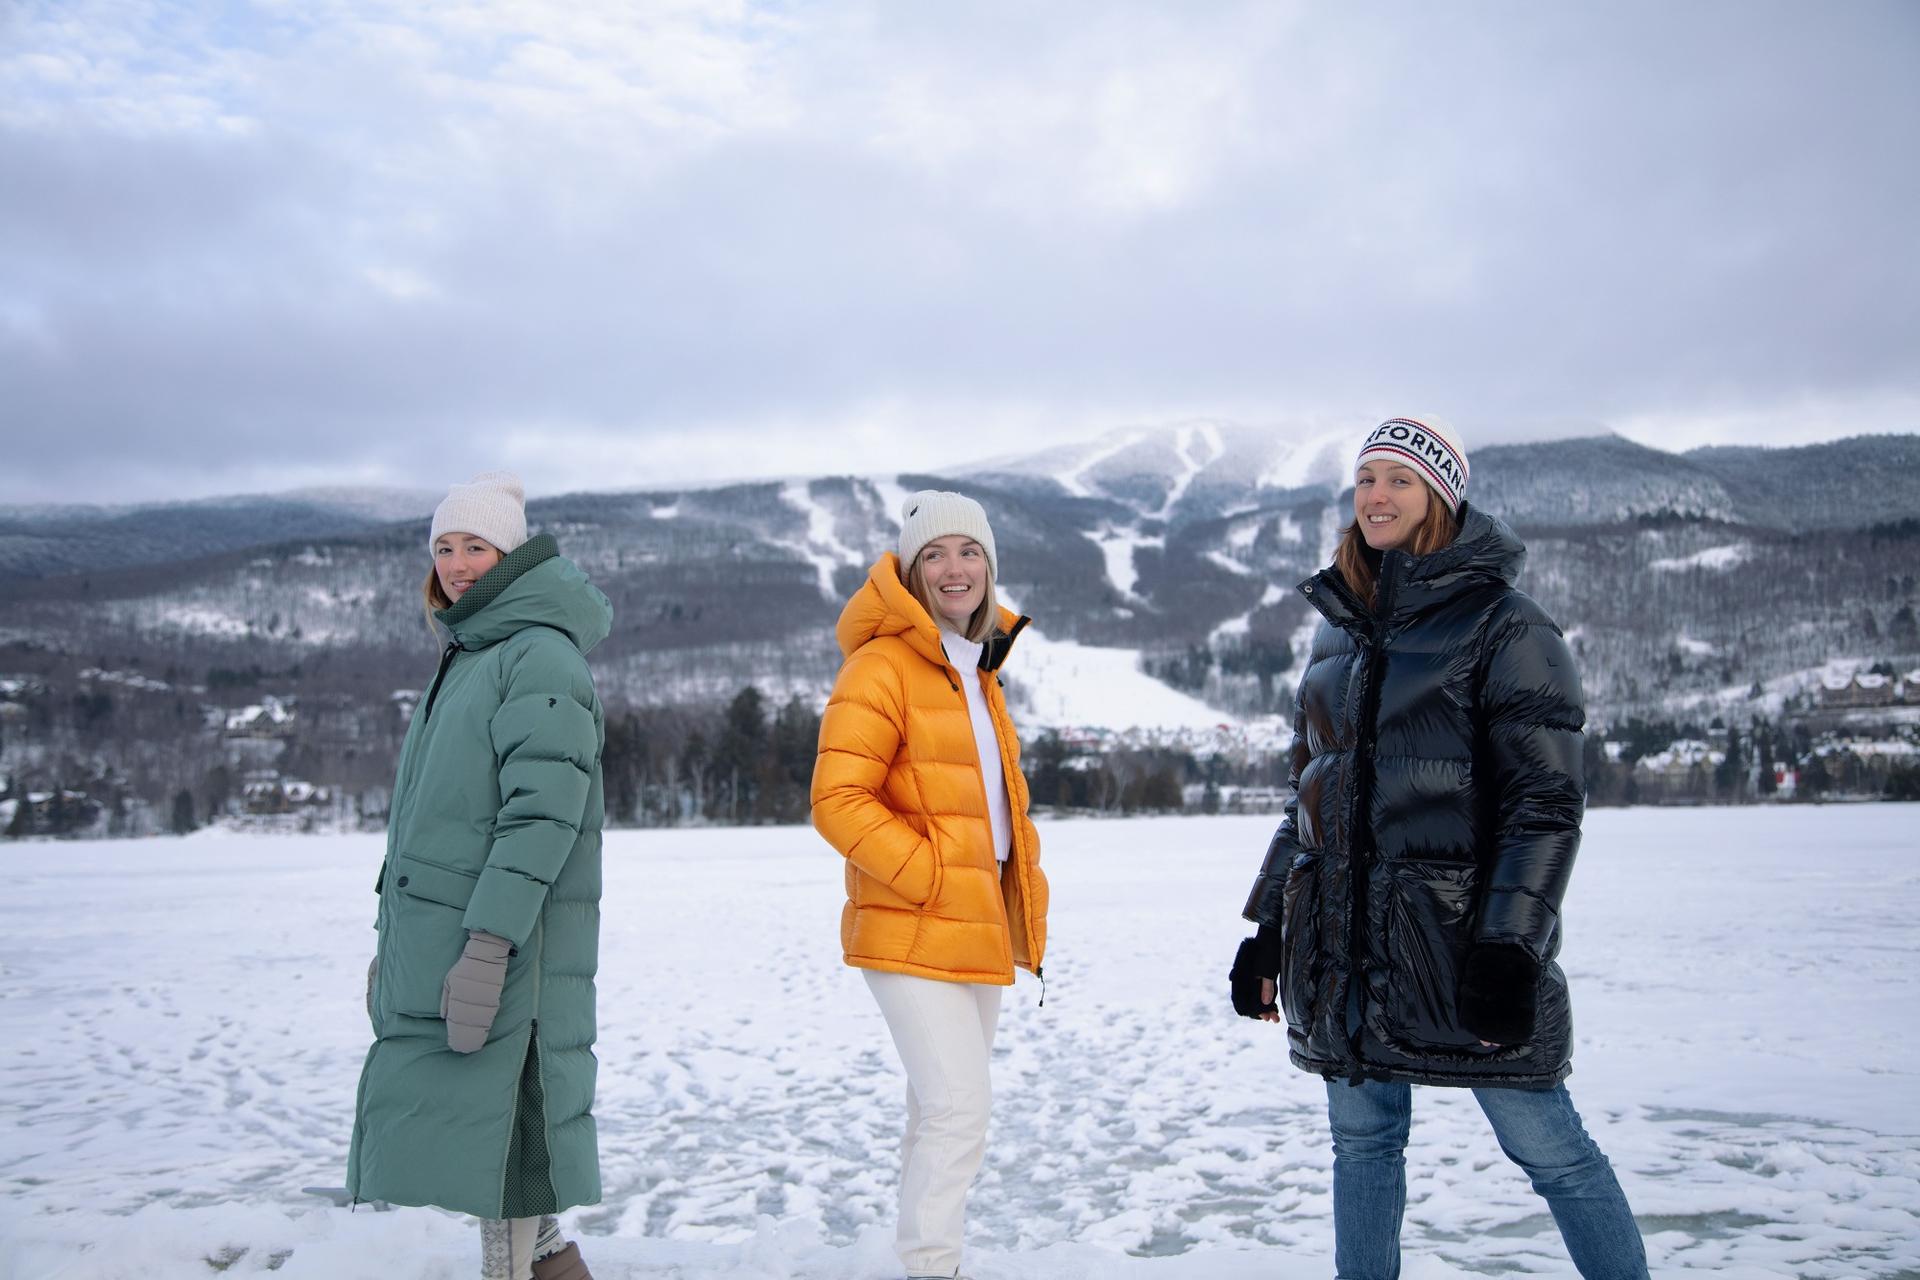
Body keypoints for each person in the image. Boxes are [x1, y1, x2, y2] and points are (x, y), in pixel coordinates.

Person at [1230, 418, 1648, 1278]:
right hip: (1342, 954)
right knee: (1363, 1149)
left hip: (1454, 949)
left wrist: (1508, 946)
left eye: (1400, 480)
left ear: (1441, 497)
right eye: (1366, 479)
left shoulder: (1507, 627)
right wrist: (1268, 929)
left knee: (1551, 1150)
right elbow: (1308, 801)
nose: (1376, 496)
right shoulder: (1336, 631)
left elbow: (1544, 806)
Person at [348, 472, 611, 1280]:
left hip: (506, 948)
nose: (459, 564)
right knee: (511, 1150)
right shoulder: (472, 653)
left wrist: (489, 945)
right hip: (445, 935)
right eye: (445, 548)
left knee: (506, 1146)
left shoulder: (534, 656)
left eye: (476, 547)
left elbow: (540, 820)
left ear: (512, 553)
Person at [811, 490, 1050, 1280]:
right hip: (912, 918)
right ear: (910, 572)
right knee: (959, 1109)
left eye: (970, 552)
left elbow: (984, 797)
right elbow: (837, 799)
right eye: (936, 555)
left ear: (989, 567)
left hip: (972, 919)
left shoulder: (974, 669)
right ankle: (931, 1268)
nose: (956, 568)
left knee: (934, 1108)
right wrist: (928, 875)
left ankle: (918, 1261)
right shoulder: (881, 664)